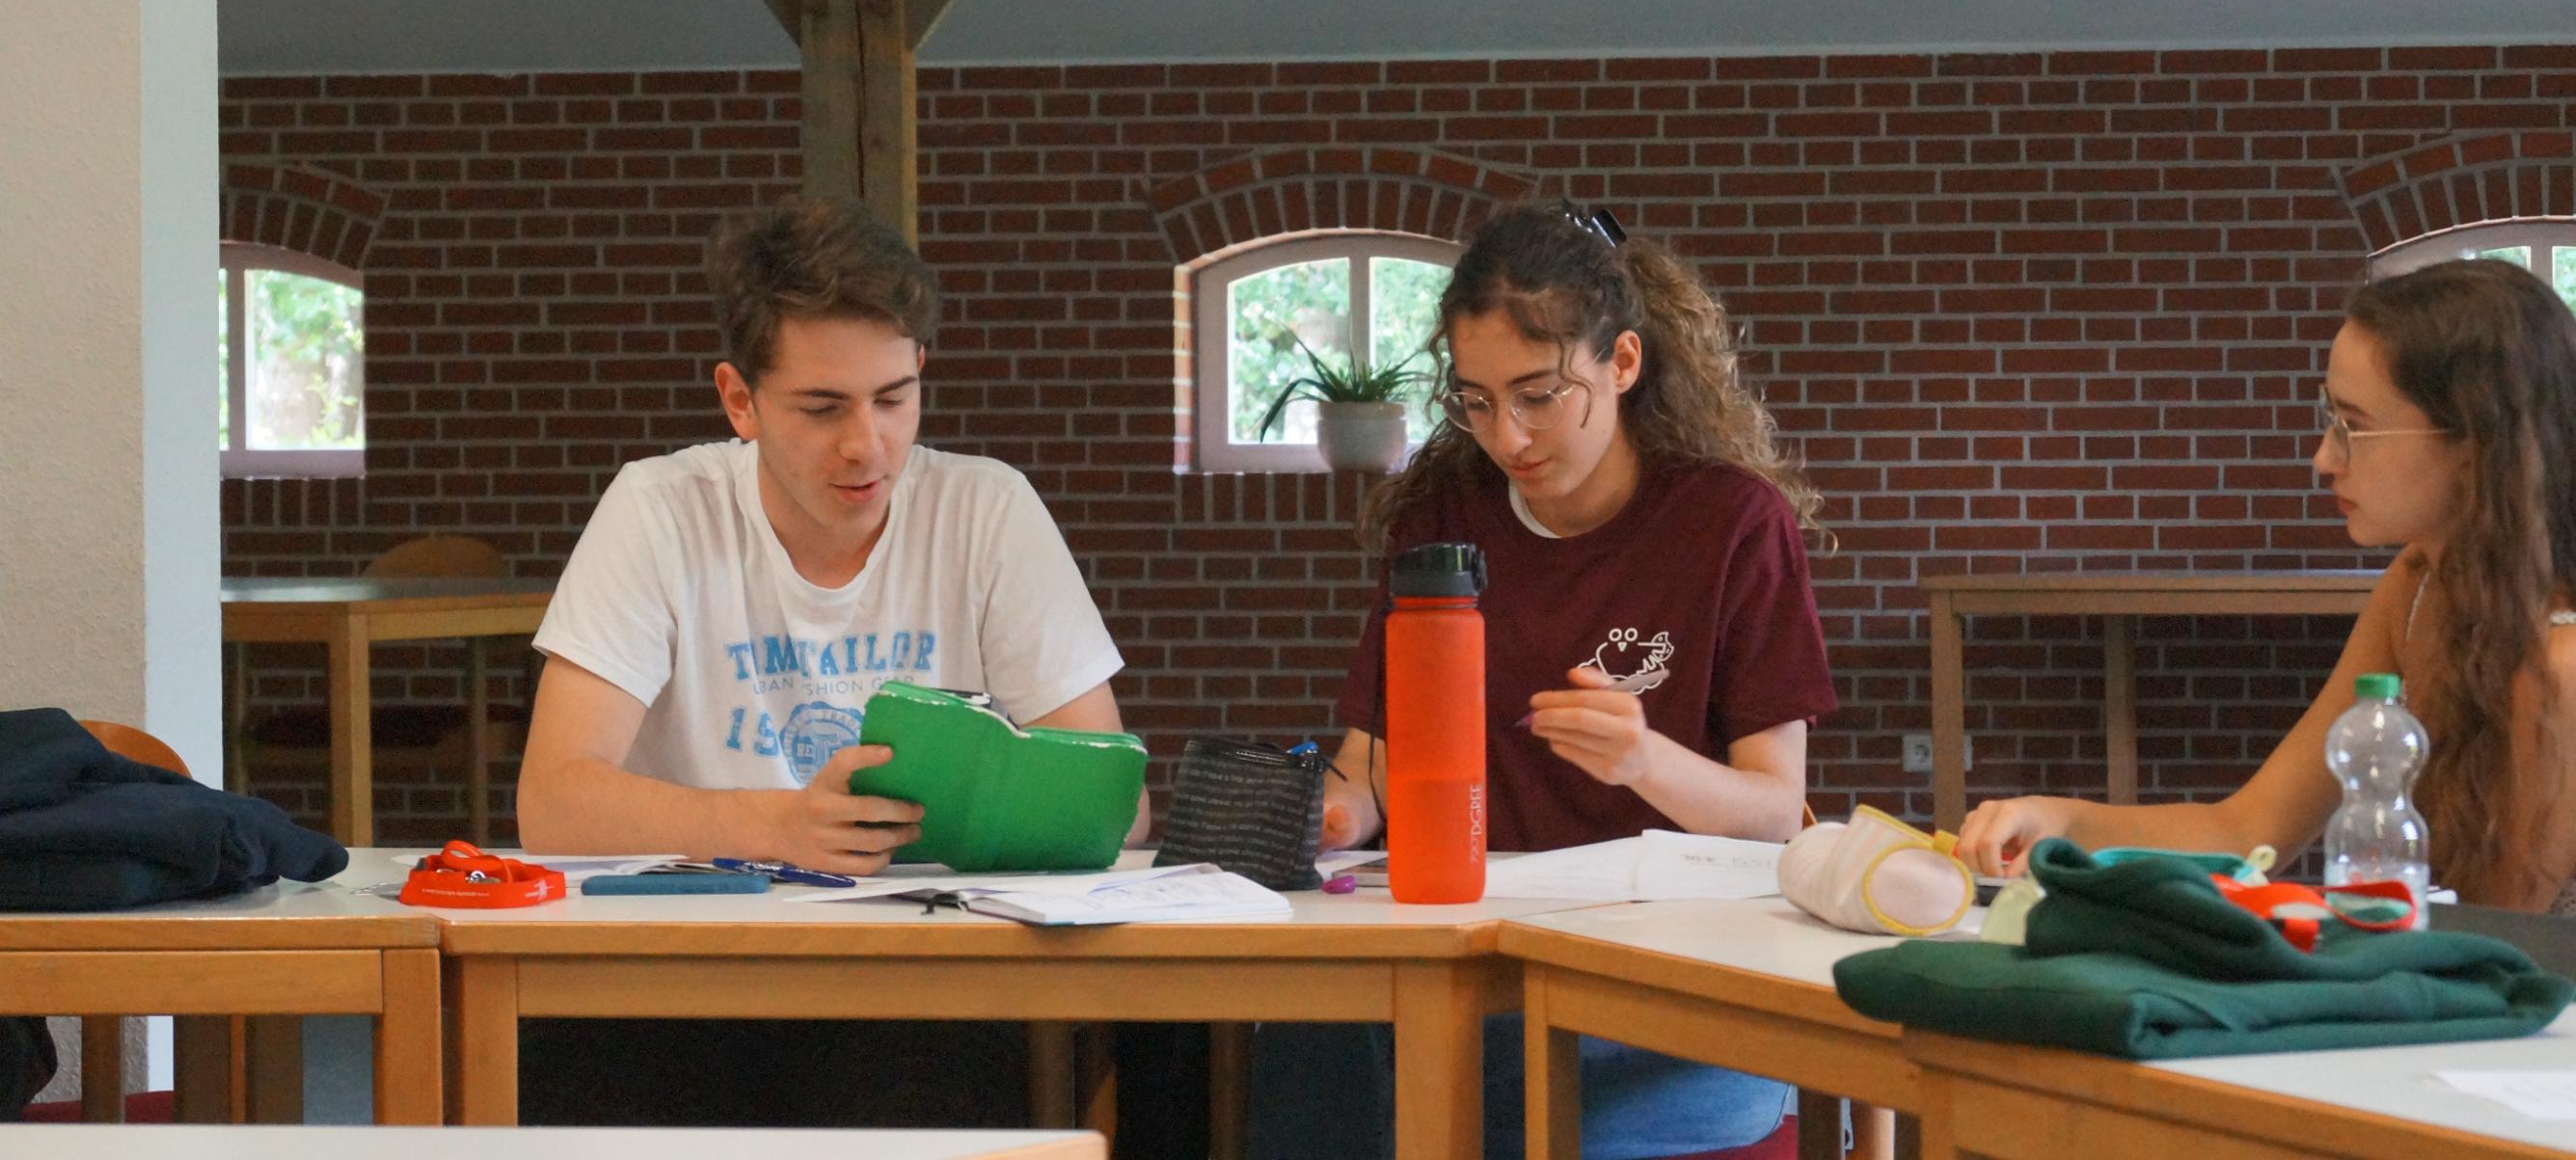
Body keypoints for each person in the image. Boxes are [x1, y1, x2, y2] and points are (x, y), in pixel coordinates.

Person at [511, 197, 1144, 1126]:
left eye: (893, 399)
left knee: (935, 1087)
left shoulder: (986, 508)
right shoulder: (660, 508)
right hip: (682, 972)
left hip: (920, 977)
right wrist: (775, 826)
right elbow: (553, 802)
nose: (866, 446)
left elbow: (1110, 800)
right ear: (739, 400)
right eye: (820, 408)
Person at [1253, 199, 1840, 1160]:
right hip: (1483, 962)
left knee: (1490, 1105)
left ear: (1621, 363)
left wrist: (1644, 759)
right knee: (1304, 1049)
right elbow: (1376, 765)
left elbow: (1776, 813)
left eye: (1537, 395)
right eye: (1476, 402)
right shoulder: (1444, 513)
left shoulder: (1731, 523)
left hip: (1680, 975)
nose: (1509, 438)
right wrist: (1335, 811)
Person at [1958, 258, 2576, 916]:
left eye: (2354, 426)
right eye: (2328, 418)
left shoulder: (2560, 667)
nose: (2323, 458)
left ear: (2474, 444)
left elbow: (2497, 943)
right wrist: (2059, 820)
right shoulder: (2417, 586)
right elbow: (2247, 831)